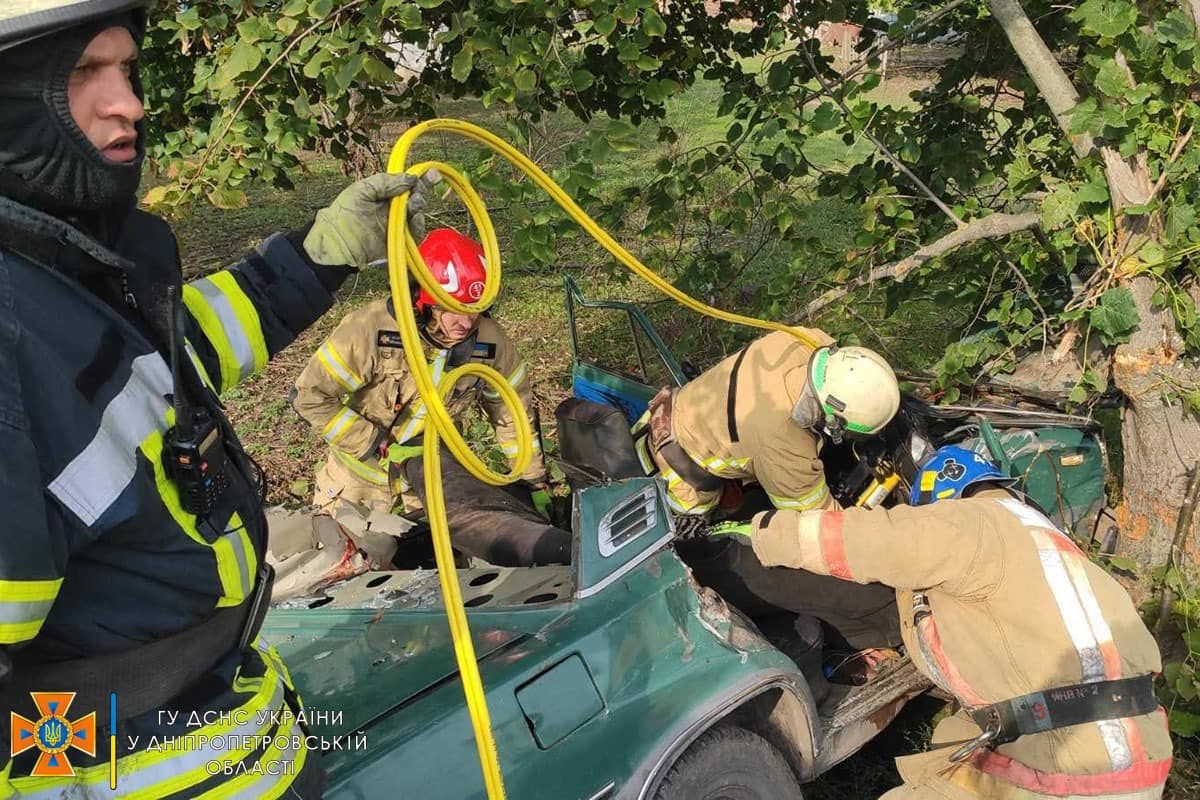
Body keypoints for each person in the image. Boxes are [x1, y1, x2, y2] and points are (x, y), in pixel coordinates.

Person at [0, 2, 429, 796]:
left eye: (126, 70)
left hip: (231, 730)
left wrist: (319, 252)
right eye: (81, 76)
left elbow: (172, 359)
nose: (127, 102)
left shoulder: (62, 268)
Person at [709, 446, 1172, 799]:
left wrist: (762, 532)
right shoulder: (1052, 546)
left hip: (1069, 768)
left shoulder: (969, 523)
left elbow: (863, 540)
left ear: (939, 501)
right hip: (1140, 759)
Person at [292, 227, 571, 567]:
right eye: (453, 309)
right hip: (358, 491)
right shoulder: (369, 331)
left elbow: (513, 410)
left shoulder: (489, 342)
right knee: (352, 579)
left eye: (476, 309)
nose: (466, 322)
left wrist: (532, 477)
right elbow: (309, 395)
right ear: (423, 299)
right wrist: (373, 443)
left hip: (433, 488)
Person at [634, 329, 900, 516]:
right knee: (697, 538)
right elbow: (817, 519)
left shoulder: (803, 340)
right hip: (675, 472)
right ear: (834, 418)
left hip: (668, 411)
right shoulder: (783, 444)